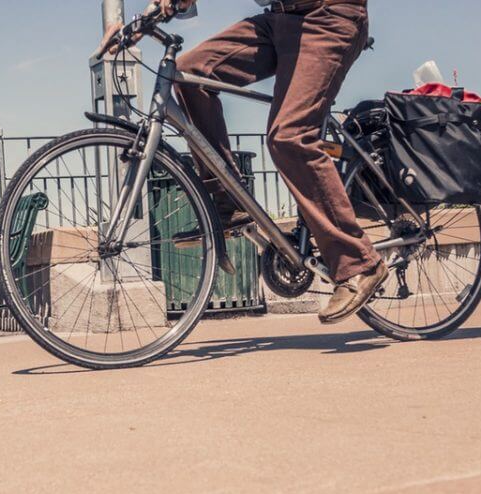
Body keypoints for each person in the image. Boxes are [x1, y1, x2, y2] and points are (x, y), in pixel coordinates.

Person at [104, 0, 387, 324]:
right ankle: (228, 205)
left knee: (290, 136)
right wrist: (143, 19)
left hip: (328, 17)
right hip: (282, 18)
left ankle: (359, 263)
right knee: (190, 75)